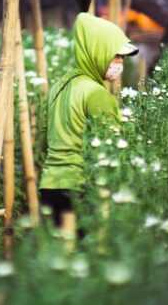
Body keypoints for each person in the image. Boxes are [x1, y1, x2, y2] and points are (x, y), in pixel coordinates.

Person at [39, 12, 138, 230]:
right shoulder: (96, 94)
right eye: (116, 56)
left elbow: (47, 135)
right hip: (80, 187)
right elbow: (110, 146)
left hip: (49, 185)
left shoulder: (60, 85)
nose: (120, 63)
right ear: (97, 52)